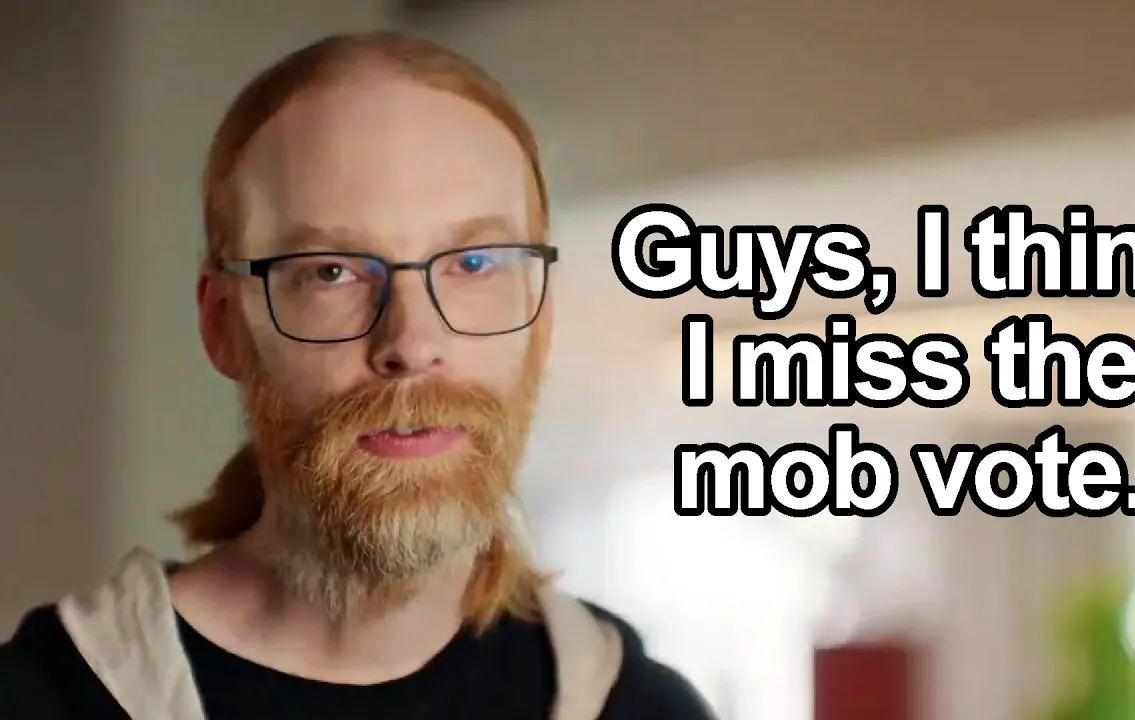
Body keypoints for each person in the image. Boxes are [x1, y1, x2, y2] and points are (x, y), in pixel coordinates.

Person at [0, 32, 715, 720]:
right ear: (222, 325)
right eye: (331, 271)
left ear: (542, 318)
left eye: (473, 263)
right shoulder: (41, 698)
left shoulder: (642, 709)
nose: (411, 343)